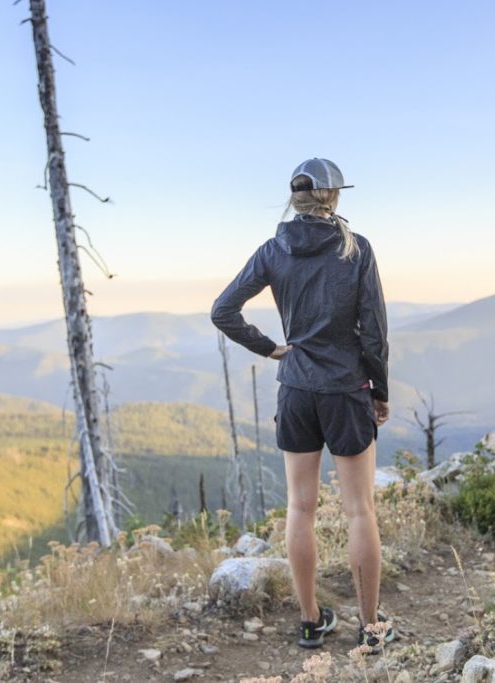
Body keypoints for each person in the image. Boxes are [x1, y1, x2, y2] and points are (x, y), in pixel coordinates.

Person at [211, 158, 392, 650]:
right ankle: (372, 628)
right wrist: (380, 391)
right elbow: (373, 331)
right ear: (333, 197)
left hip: (296, 390)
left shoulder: (274, 249)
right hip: (346, 390)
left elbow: (223, 311)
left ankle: (312, 621)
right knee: (360, 512)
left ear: (296, 198)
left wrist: (271, 348)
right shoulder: (356, 249)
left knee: (300, 507)